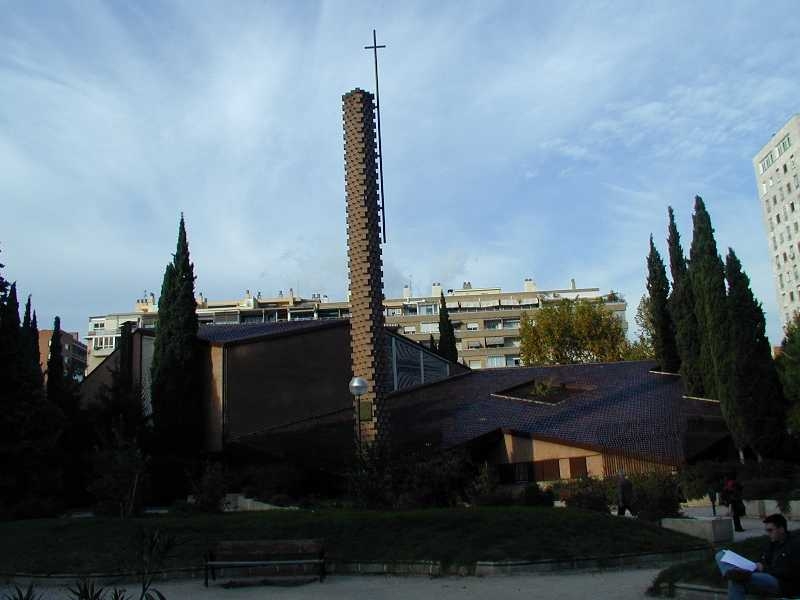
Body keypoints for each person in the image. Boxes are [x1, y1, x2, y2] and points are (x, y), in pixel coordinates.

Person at [715, 514, 800, 600]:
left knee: (736, 580)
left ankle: (736, 573)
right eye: (767, 531)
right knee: (720, 555)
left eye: (770, 530)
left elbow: (791, 572)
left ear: (781, 529)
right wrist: (756, 565)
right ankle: (734, 572)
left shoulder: (794, 545)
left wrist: (764, 568)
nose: (768, 533)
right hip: (762, 574)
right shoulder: (771, 543)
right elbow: (762, 559)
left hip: (781, 583)